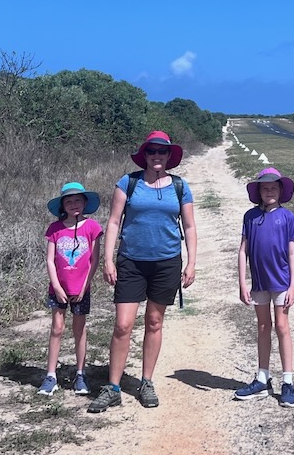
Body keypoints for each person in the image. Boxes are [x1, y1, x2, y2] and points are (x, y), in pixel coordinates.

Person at [88, 131, 197, 413]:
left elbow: (190, 227)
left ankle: (146, 381)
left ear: (169, 156)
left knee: (154, 321)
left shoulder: (180, 187)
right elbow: (113, 222)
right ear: (145, 155)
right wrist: (108, 261)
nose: (157, 156)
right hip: (131, 261)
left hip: (166, 262)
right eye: (152, 152)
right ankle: (112, 387)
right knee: (123, 324)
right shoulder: (129, 182)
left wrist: (192, 262)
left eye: (162, 151)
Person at [234, 167, 294, 408]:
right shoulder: (250, 217)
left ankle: (288, 381)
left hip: (281, 282)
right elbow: (243, 251)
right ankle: (262, 378)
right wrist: (242, 282)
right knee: (263, 326)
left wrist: (293, 285)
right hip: (259, 283)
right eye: (265, 188)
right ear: (259, 192)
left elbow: (292, 253)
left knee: (282, 326)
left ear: (281, 191)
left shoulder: (287, 217)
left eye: (273, 187)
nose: (269, 191)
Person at [39, 182, 104, 396]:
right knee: (57, 328)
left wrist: (86, 284)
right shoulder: (55, 229)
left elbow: (95, 259)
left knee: (79, 329)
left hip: (81, 288)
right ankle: (51, 376)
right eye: (68, 201)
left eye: (77, 200)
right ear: (62, 205)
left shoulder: (92, 227)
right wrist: (56, 286)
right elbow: (50, 260)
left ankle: (80, 374)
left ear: (85, 203)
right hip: (59, 288)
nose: (73, 204)